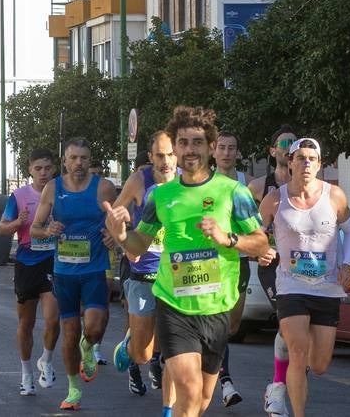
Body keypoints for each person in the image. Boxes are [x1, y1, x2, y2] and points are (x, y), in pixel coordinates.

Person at [103, 107, 268, 417]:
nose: (190, 149)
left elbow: (260, 243)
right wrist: (123, 235)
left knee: (202, 398)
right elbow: (141, 242)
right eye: (183, 142)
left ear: (209, 147)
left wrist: (228, 238)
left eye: (197, 142)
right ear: (176, 148)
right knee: (189, 393)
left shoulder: (233, 191)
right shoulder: (161, 196)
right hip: (173, 304)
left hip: (216, 307)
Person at [257, 138, 350, 417]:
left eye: (312, 158)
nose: (306, 163)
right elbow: (255, 234)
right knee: (298, 353)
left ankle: (280, 381)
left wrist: (347, 264)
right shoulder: (275, 199)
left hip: (327, 288)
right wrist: (262, 251)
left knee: (320, 364)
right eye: (300, 157)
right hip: (291, 286)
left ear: (320, 164)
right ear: (290, 163)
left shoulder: (334, 196)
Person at [30, 137, 117, 412]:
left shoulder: (103, 188)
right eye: (73, 158)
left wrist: (113, 236)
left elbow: (119, 222)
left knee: (93, 326)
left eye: (84, 158)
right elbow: (35, 228)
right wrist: (48, 231)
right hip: (64, 272)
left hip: (93, 270)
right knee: (68, 333)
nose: (79, 163)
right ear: (64, 161)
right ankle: (74, 390)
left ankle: (89, 346)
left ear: (90, 161)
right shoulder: (53, 189)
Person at [111, 131, 177, 403]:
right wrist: (125, 236)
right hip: (143, 273)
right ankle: (129, 344)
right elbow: (111, 219)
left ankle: (171, 408)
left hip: (176, 276)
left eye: (171, 154)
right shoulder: (139, 181)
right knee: (143, 354)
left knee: (174, 346)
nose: (166, 161)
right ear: (150, 157)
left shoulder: (188, 182)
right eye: (160, 155)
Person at [0, 148, 61, 396]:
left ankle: (46, 359)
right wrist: (18, 222)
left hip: (54, 261)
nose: (43, 173)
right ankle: (26, 374)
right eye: (38, 168)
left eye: (47, 168)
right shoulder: (19, 196)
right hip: (26, 262)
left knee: (53, 319)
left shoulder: (61, 193)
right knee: (26, 322)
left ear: (54, 169)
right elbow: (2, 229)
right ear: (30, 171)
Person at [251, 125, 297, 414]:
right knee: (287, 323)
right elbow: (242, 222)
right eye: (284, 143)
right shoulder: (258, 187)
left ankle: (289, 377)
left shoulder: (309, 184)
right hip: (272, 265)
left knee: (302, 336)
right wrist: (258, 246)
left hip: (303, 266)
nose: (289, 147)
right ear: (273, 151)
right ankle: (277, 387)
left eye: (294, 143)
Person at [213, 129, 248, 408]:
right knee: (219, 322)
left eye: (231, 148)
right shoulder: (203, 181)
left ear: (237, 152)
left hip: (240, 261)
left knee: (231, 326)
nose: (226, 153)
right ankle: (224, 380)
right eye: (222, 147)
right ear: (214, 150)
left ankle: (213, 364)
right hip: (210, 262)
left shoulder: (247, 184)